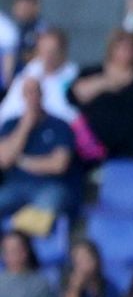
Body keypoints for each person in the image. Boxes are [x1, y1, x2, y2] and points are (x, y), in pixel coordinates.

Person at [71, 30, 133, 164]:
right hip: (96, 142)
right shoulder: (92, 72)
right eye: (121, 47)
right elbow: (76, 94)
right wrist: (106, 82)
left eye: (130, 48)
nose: (125, 52)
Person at [0, 74, 75, 224]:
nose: (31, 97)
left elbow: (58, 165)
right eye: (27, 92)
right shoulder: (11, 125)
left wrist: (22, 161)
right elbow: (4, 160)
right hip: (15, 185)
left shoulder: (60, 125)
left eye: (34, 91)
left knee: (46, 204)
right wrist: (25, 126)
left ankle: (17, 237)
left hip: (48, 186)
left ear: (42, 94)